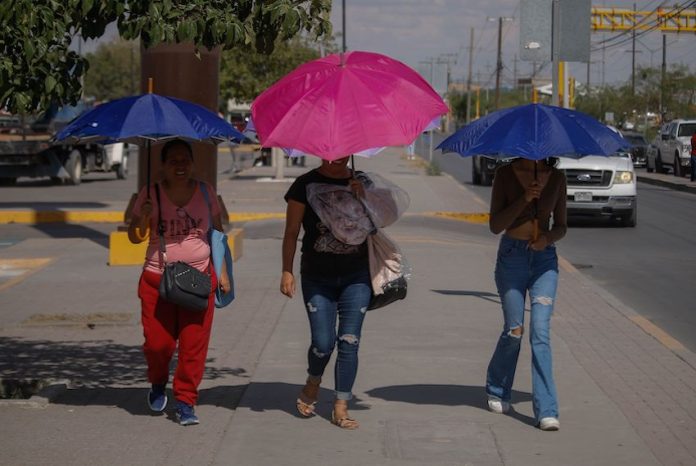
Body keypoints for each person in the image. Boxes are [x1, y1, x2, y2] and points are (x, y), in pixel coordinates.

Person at [128, 139, 230, 426]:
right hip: (157, 280)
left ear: (192, 162)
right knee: (158, 345)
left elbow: (218, 234)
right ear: (163, 166)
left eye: (185, 159)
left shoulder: (206, 192)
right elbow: (134, 238)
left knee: (193, 345)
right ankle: (158, 382)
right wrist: (143, 217)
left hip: (199, 280)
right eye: (173, 160)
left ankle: (186, 401)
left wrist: (222, 273)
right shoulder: (150, 194)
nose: (180, 165)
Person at [280, 156, 372, 430]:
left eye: (344, 151)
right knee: (323, 343)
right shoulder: (304, 185)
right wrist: (287, 270)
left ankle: (340, 406)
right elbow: (292, 231)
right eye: (331, 152)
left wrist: (364, 198)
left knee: (349, 340)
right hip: (317, 277)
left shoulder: (362, 181)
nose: (338, 157)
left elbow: (380, 222)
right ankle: (313, 380)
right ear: (321, 151)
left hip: (357, 276)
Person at [485, 157, 567, 431]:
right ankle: (497, 387)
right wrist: (525, 197)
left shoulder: (556, 177)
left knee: (540, 332)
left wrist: (547, 239)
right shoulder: (505, 174)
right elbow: (496, 225)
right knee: (514, 330)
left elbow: (562, 226)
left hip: (544, 261)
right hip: (512, 257)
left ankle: (547, 410)